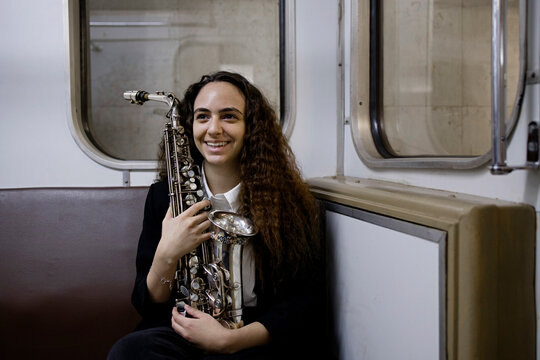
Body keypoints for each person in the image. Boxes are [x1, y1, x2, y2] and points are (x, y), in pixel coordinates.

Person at [108, 71, 324, 359]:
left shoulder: (291, 203)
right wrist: (166, 255)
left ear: (251, 127)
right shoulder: (164, 197)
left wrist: (229, 341)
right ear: (189, 126)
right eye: (202, 116)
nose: (214, 129)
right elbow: (148, 306)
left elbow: (302, 304)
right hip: (185, 331)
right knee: (129, 351)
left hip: (253, 337)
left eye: (229, 116)